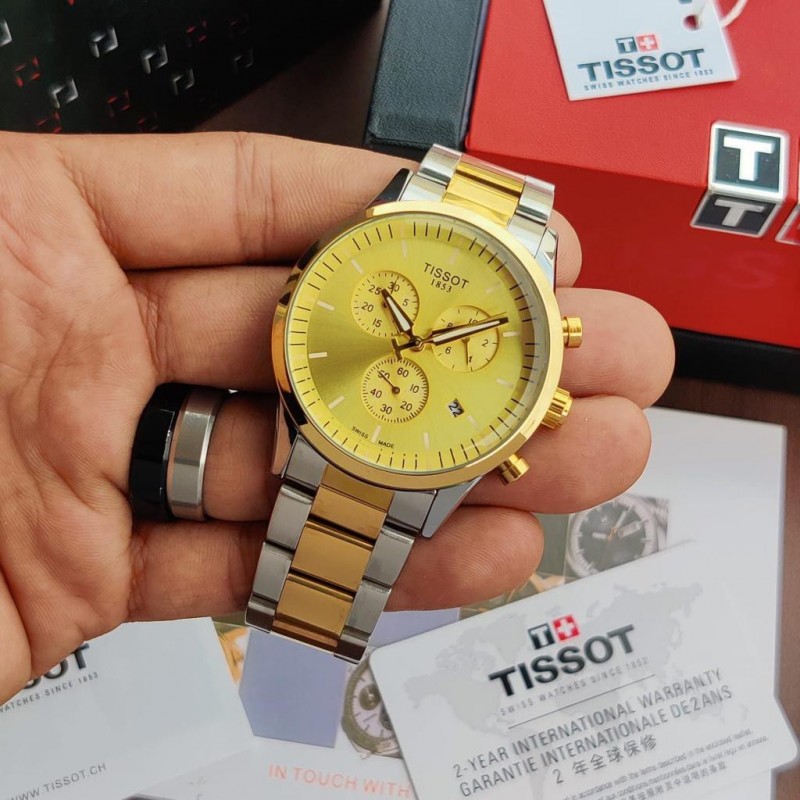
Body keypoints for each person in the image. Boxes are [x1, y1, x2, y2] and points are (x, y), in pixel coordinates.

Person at [0, 132, 674, 704]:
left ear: (544, 397)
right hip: (325, 416)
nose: (415, 344)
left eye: (449, 341)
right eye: (407, 327)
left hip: (406, 452)